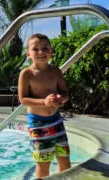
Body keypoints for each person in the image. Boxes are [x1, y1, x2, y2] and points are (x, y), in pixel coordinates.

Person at [18, 33, 71, 179]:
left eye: (45, 48)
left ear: (51, 52)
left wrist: (61, 98)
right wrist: (44, 102)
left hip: (56, 120)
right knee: (43, 162)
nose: (41, 52)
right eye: (36, 49)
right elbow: (23, 99)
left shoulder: (56, 72)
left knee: (64, 157)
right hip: (38, 123)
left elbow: (65, 93)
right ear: (28, 53)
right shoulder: (26, 74)